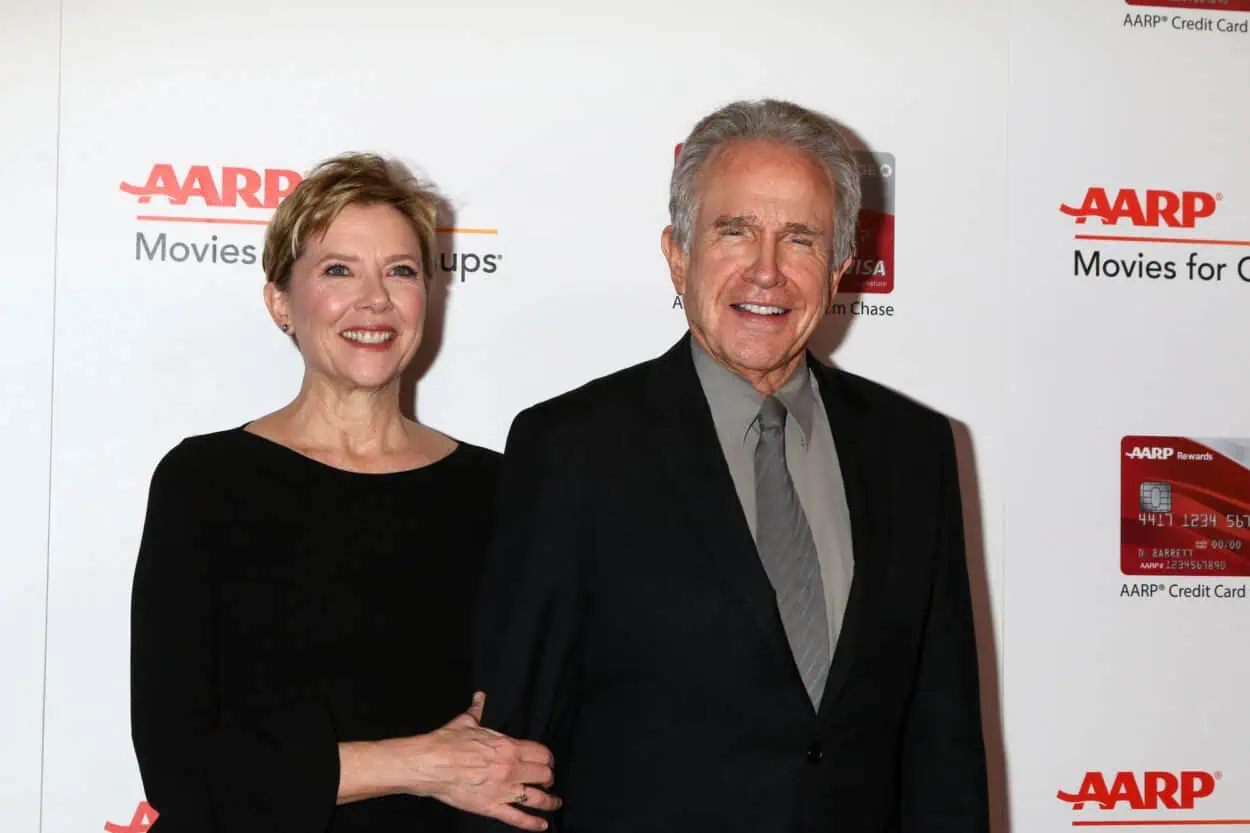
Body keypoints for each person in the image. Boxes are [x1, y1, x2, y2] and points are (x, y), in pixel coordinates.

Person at [469, 100, 989, 832]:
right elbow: (509, 757)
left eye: (800, 239)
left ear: (840, 267)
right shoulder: (572, 448)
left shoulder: (915, 448)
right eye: (735, 231)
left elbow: (944, 739)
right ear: (678, 253)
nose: (767, 271)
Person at [130, 152, 559, 833]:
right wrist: (423, 763)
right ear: (280, 301)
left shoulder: (503, 490)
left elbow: (532, 738)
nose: (376, 301)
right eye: (339, 270)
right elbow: (181, 767)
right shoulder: (204, 483)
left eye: (401, 271)